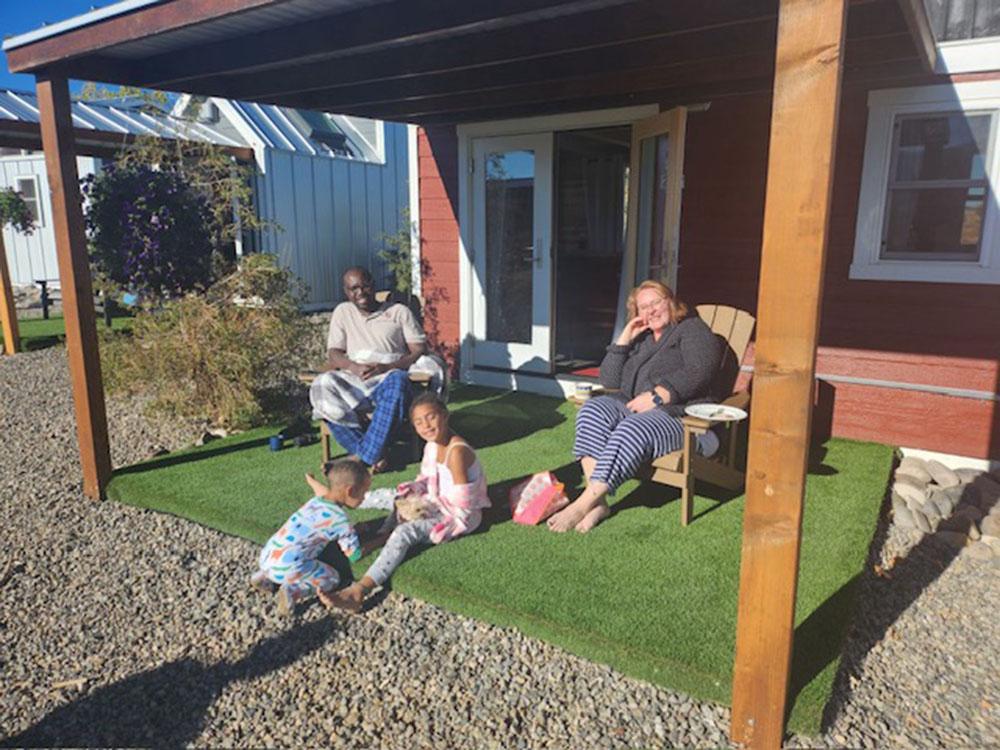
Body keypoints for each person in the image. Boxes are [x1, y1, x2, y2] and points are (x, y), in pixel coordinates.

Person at [547, 280, 722, 534]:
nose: (650, 311)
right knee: (591, 411)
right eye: (643, 307)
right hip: (635, 410)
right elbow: (609, 381)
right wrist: (624, 339)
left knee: (632, 428)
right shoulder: (644, 340)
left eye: (656, 302)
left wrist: (660, 395)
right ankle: (599, 503)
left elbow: (701, 368)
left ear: (670, 301)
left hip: (683, 421)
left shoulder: (692, 329)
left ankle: (583, 502)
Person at [325, 392, 490, 612]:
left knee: (405, 533)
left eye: (431, 417)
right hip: (436, 501)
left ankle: (360, 590)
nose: (426, 426)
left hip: (457, 516)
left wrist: (423, 510)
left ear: (445, 416)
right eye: (419, 422)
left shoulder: (457, 452)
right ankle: (378, 533)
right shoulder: (431, 446)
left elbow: (465, 506)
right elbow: (425, 480)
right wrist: (412, 495)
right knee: (396, 498)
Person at [309, 266, 442, 473]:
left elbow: (419, 350)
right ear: (347, 292)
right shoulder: (343, 312)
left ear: (373, 285)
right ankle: (373, 454)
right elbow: (334, 353)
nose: (360, 292)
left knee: (398, 380)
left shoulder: (398, 312)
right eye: (354, 289)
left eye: (364, 286)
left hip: (387, 375)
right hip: (355, 377)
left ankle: (363, 458)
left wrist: (386, 367)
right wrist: (352, 366)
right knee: (322, 387)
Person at [251, 458, 369, 615]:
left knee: (286, 556)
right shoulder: (341, 520)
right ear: (350, 491)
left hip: (267, 556)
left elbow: (326, 518)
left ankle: (264, 576)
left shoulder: (315, 501)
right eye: (363, 493)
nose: (364, 498)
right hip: (289, 568)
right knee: (332, 579)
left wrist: (354, 530)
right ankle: (292, 591)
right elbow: (354, 554)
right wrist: (385, 536)